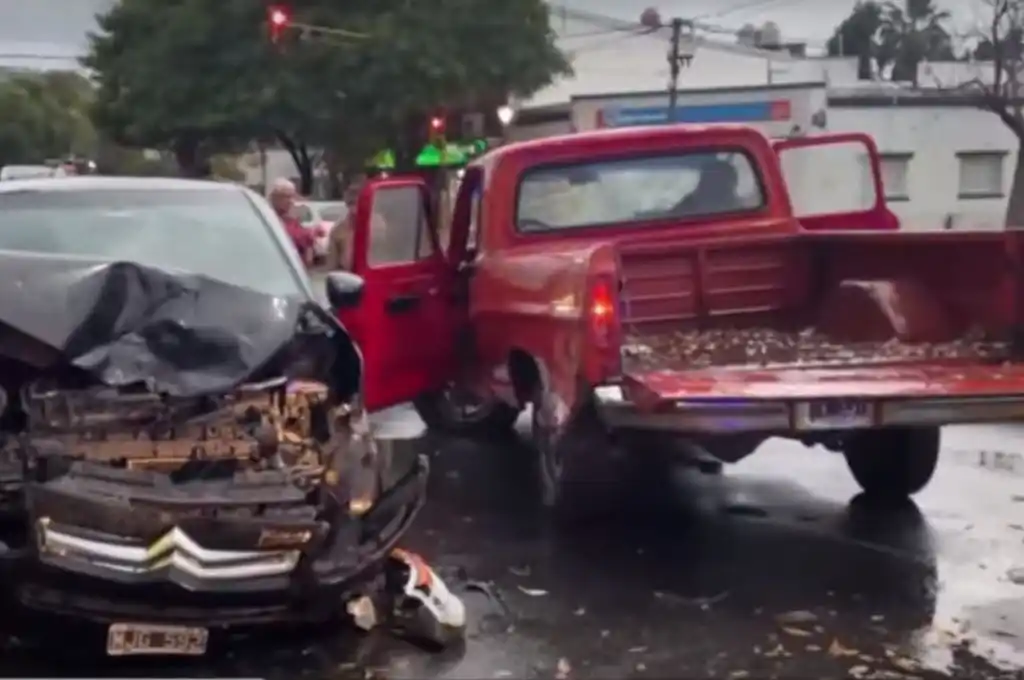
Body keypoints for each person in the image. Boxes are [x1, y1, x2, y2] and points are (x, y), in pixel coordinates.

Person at [268, 178, 314, 265]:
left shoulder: (297, 223)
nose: (290, 201)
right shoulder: (265, 219)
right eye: (286, 197)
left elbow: (308, 252)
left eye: (292, 196)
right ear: (274, 197)